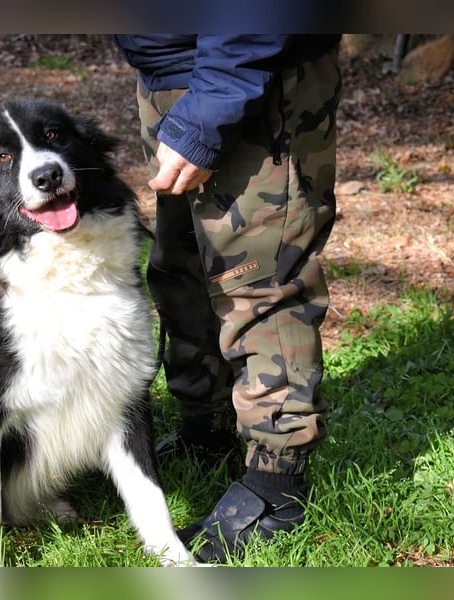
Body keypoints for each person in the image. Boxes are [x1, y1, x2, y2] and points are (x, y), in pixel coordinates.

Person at [113, 34, 342, 563]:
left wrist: (215, 98)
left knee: (258, 279)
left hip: (245, 67)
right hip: (174, 68)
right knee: (183, 265)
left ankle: (276, 486)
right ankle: (207, 423)